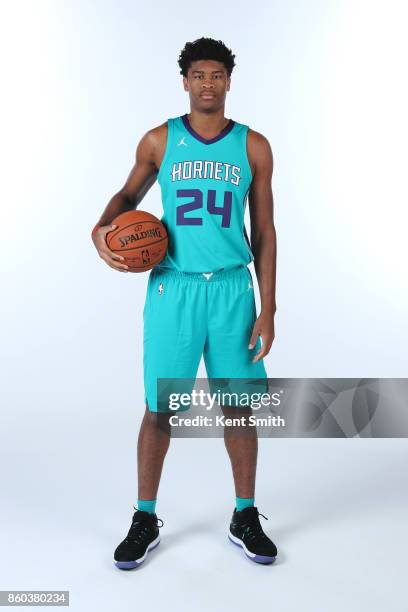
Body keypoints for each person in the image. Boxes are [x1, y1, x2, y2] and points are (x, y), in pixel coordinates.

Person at [91, 37, 277, 569]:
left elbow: (264, 230)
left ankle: (245, 514)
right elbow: (127, 199)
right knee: (159, 407)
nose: (208, 85)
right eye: (198, 75)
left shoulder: (253, 146)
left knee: (238, 408)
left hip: (232, 290)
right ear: (185, 81)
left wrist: (270, 306)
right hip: (174, 287)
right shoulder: (159, 140)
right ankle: (144, 516)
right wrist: (102, 231)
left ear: (229, 81)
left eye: (217, 75)